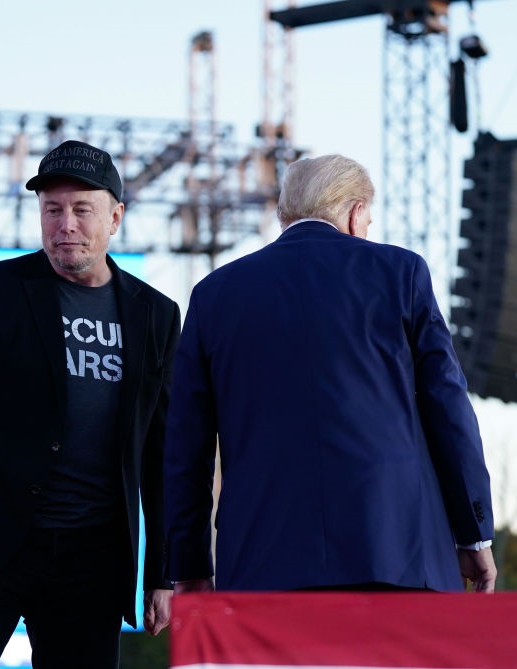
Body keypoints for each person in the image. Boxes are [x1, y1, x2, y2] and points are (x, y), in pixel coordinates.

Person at [0, 139, 181, 668]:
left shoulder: (156, 314)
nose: (65, 223)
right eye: (52, 209)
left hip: (92, 559)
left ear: (115, 217)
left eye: (81, 209)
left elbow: (161, 451)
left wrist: (164, 573)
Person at [164, 153, 497, 596]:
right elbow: (449, 410)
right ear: (357, 212)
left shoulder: (213, 295)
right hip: (398, 554)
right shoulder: (401, 272)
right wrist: (473, 534)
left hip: (262, 564)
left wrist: (188, 566)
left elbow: (187, 446)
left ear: (284, 215)